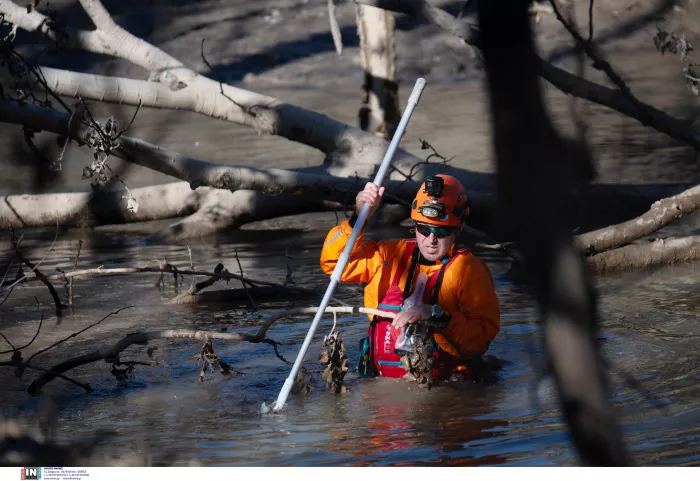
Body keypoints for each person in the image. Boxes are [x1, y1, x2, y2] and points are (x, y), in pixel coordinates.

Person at [320, 174, 500, 381]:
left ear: (458, 229)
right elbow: (334, 265)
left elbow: (481, 338)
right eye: (424, 229)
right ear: (414, 226)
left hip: (443, 388)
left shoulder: (469, 270)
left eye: (441, 231)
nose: (431, 240)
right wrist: (358, 218)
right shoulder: (389, 255)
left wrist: (436, 314)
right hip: (381, 382)